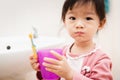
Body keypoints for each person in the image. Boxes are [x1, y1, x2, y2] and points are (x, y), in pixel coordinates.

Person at [30, 0, 113, 80]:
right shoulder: (62, 52)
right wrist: (43, 69)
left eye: (88, 18)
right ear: (64, 21)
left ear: (101, 23)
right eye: (73, 18)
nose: (79, 25)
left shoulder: (101, 60)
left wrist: (70, 74)